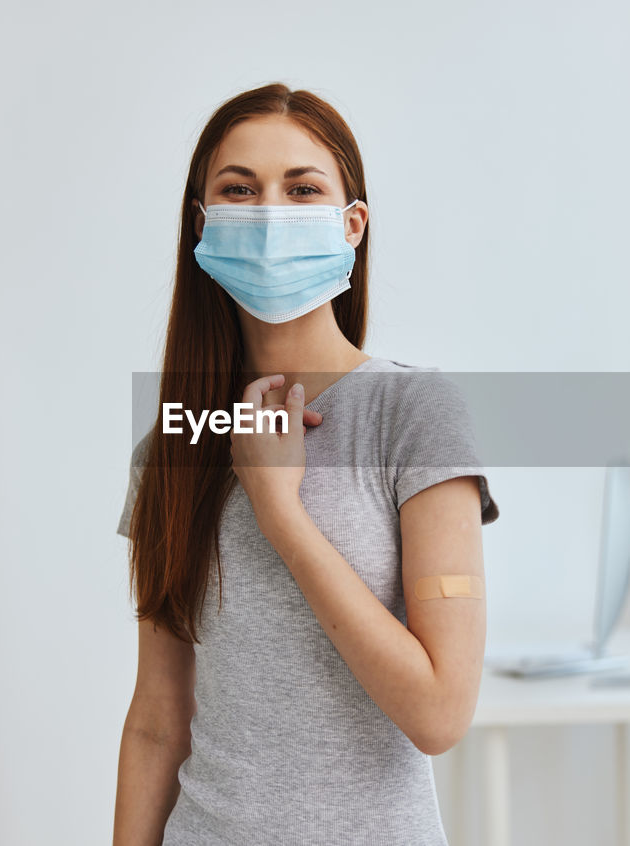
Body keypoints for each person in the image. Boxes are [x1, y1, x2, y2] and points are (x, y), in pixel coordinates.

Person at [113, 82, 500, 846]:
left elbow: (439, 714)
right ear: (203, 223)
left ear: (351, 224)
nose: (268, 214)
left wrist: (280, 510)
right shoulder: (174, 445)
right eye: (239, 189)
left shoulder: (415, 413)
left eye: (301, 188)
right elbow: (157, 722)